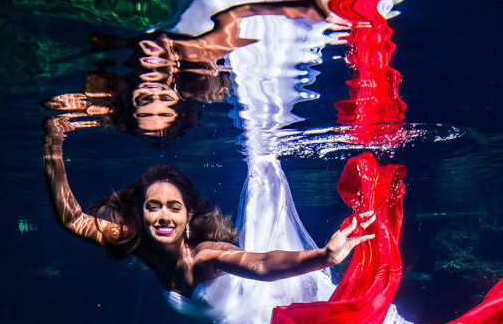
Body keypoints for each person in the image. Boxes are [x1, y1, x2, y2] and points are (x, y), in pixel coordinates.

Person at [42, 118, 376, 295]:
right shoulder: (137, 242)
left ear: (188, 216)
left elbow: (261, 264)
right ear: (140, 214)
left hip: (263, 314)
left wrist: (324, 257)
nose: (162, 216)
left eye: (174, 207)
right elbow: (72, 219)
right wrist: (52, 151)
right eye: (153, 207)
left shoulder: (205, 254)